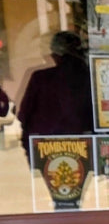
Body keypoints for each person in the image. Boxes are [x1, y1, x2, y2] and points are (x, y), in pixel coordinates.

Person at [17, 30, 94, 160]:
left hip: (44, 150)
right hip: (84, 148)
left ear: (56, 55)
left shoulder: (40, 79)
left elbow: (23, 115)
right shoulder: (90, 78)